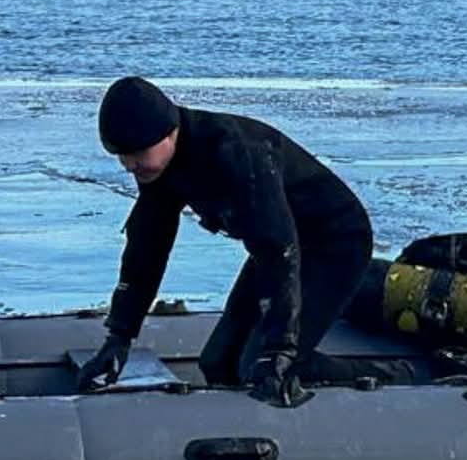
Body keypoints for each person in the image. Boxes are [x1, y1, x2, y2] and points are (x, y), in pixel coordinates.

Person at [76, 77, 374, 406]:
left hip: (335, 243)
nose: (129, 165)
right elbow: (146, 251)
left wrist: (280, 348)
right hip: (278, 245)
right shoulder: (160, 169)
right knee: (217, 362)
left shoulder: (233, 152)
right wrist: (120, 336)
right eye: (122, 157)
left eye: (137, 153)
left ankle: (389, 379)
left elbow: (277, 249)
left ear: (169, 132)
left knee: (259, 367)